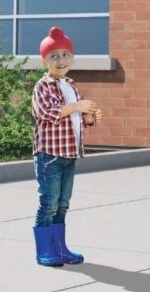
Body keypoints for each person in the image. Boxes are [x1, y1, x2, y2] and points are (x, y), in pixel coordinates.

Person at [31, 26, 101, 267]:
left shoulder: (71, 86)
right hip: (49, 155)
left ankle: (60, 248)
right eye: (54, 56)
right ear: (44, 61)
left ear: (72, 58)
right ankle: (45, 251)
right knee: (48, 203)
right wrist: (77, 107)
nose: (61, 60)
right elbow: (47, 113)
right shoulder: (43, 86)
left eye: (65, 55)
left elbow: (78, 120)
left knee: (63, 204)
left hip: (69, 154)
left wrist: (89, 115)